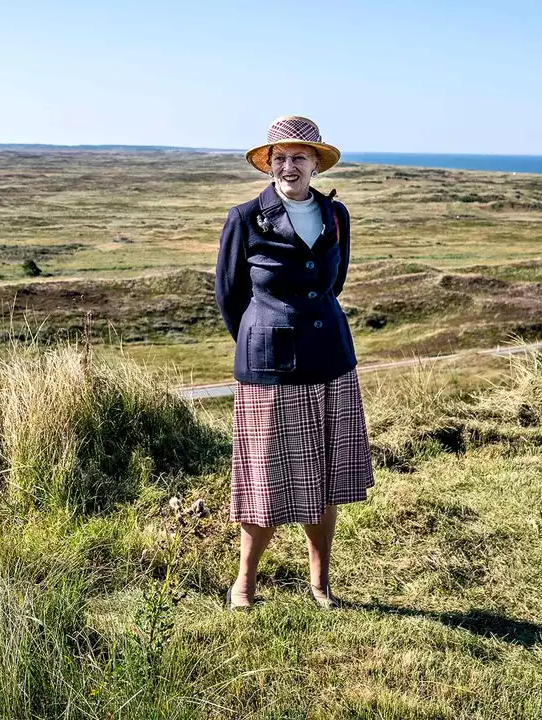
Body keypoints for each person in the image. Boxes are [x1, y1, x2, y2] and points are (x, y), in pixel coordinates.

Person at [214, 116, 374, 610]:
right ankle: (245, 581)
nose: (289, 166)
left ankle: (320, 582)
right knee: (263, 477)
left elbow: (334, 282)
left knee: (325, 474)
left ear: (315, 164)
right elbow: (230, 297)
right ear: (268, 163)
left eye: (299, 157)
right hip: (269, 369)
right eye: (279, 158)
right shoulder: (245, 218)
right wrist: (267, 334)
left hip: (330, 359)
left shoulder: (336, 215)